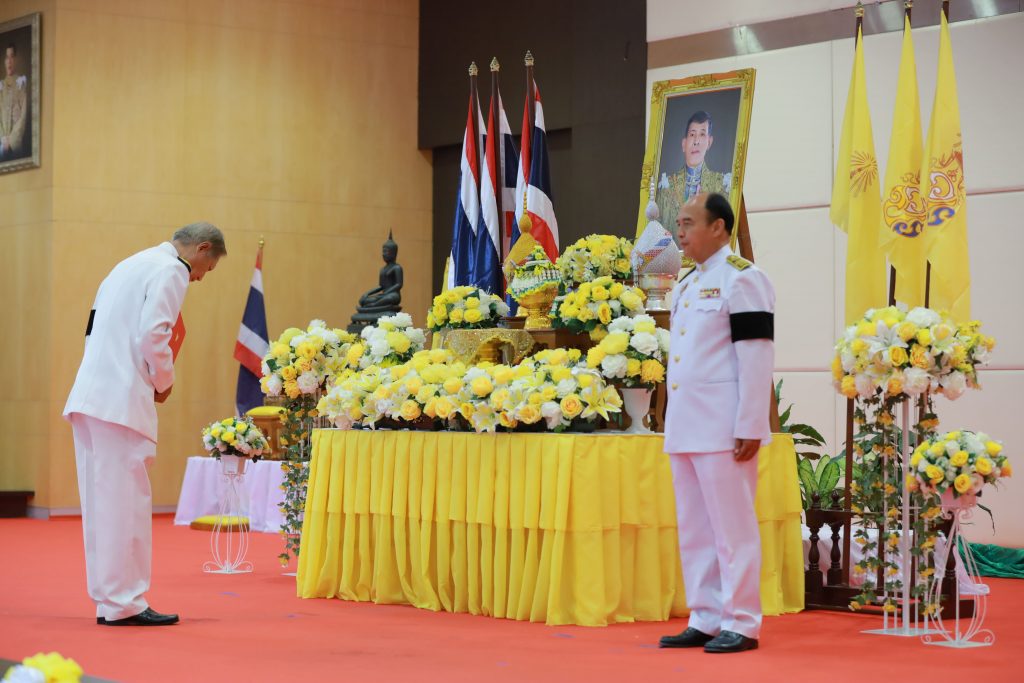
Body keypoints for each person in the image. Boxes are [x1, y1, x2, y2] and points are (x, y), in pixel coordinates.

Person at [63, 222, 227, 626]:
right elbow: (155, 333)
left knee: (101, 506)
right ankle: (126, 603)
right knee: (126, 505)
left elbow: (93, 329)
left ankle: (109, 600)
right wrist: (163, 380)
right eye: (208, 267)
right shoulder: (172, 269)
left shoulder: (128, 264)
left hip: (89, 396)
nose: (202, 277)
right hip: (121, 400)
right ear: (201, 248)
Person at [658, 192, 774, 654]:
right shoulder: (688, 284)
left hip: (725, 428)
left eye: (688, 223)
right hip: (687, 424)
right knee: (695, 528)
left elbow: (756, 355)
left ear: (719, 228)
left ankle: (742, 620)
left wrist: (749, 423)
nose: (680, 233)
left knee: (733, 528)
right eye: (679, 224)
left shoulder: (743, 279)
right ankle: (705, 616)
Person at [657, 111, 732, 241]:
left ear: (709, 142)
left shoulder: (721, 187)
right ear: (683, 144)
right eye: (692, 135)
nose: (696, 141)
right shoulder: (666, 188)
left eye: (702, 134)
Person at [349, 230, 404, 332]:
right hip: (383, 296)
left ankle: (373, 306)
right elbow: (381, 286)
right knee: (364, 301)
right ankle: (371, 305)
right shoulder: (383, 269)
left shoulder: (397, 268)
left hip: (393, 295)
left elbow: (399, 284)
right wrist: (367, 294)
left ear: (393, 253)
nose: (384, 254)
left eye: (386, 251)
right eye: (383, 251)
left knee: (388, 298)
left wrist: (384, 294)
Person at [0, 43, 28, 160]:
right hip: (1, 144)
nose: (9, 61)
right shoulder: (1, 87)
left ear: (15, 59)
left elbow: (23, 116)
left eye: (12, 56)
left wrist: (10, 142)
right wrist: (2, 138)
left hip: (15, 145)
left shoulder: (21, 84)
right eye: (7, 57)